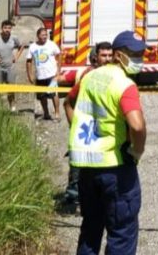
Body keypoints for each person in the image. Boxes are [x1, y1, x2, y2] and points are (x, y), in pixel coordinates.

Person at [66, 32, 147, 255]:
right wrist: (137, 151)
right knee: (121, 233)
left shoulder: (89, 77)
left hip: (87, 170)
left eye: (141, 53)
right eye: (134, 54)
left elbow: (69, 103)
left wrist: (76, 132)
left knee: (90, 230)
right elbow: (137, 126)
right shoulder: (124, 84)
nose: (140, 58)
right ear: (119, 55)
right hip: (117, 169)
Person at [64, 43, 112, 207]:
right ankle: (72, 198)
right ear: (94, 58)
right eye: (103, 56)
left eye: (109, 55)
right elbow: (68, 102)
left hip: (103, 132)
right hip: (85, 133)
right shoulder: (87, 76)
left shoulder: (113, 77)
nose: (107, 59)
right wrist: (74, 128)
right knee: (78, 167)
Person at [0, 20, 25, 112]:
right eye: (5, 28)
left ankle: (12, 107)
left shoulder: (14, 38)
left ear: (11, 29)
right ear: (1, 28)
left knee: (11, 88)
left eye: (9, 28)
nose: (7, 30)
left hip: (10, 68)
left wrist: (16, 57)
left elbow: (21, 46)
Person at [26, 27, 62, 121]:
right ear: (38, 36)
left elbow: (59, 55)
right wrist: (30, 75)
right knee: (42, 96)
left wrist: (58, 70)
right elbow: (29, 61)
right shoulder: (33, 47)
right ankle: (46, 113)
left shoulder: (52, 44)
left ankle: (57, 114)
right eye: (42, 35)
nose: (45, 37)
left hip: (51, 75)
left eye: (46, 35)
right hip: (40, 76)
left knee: (54, 94)